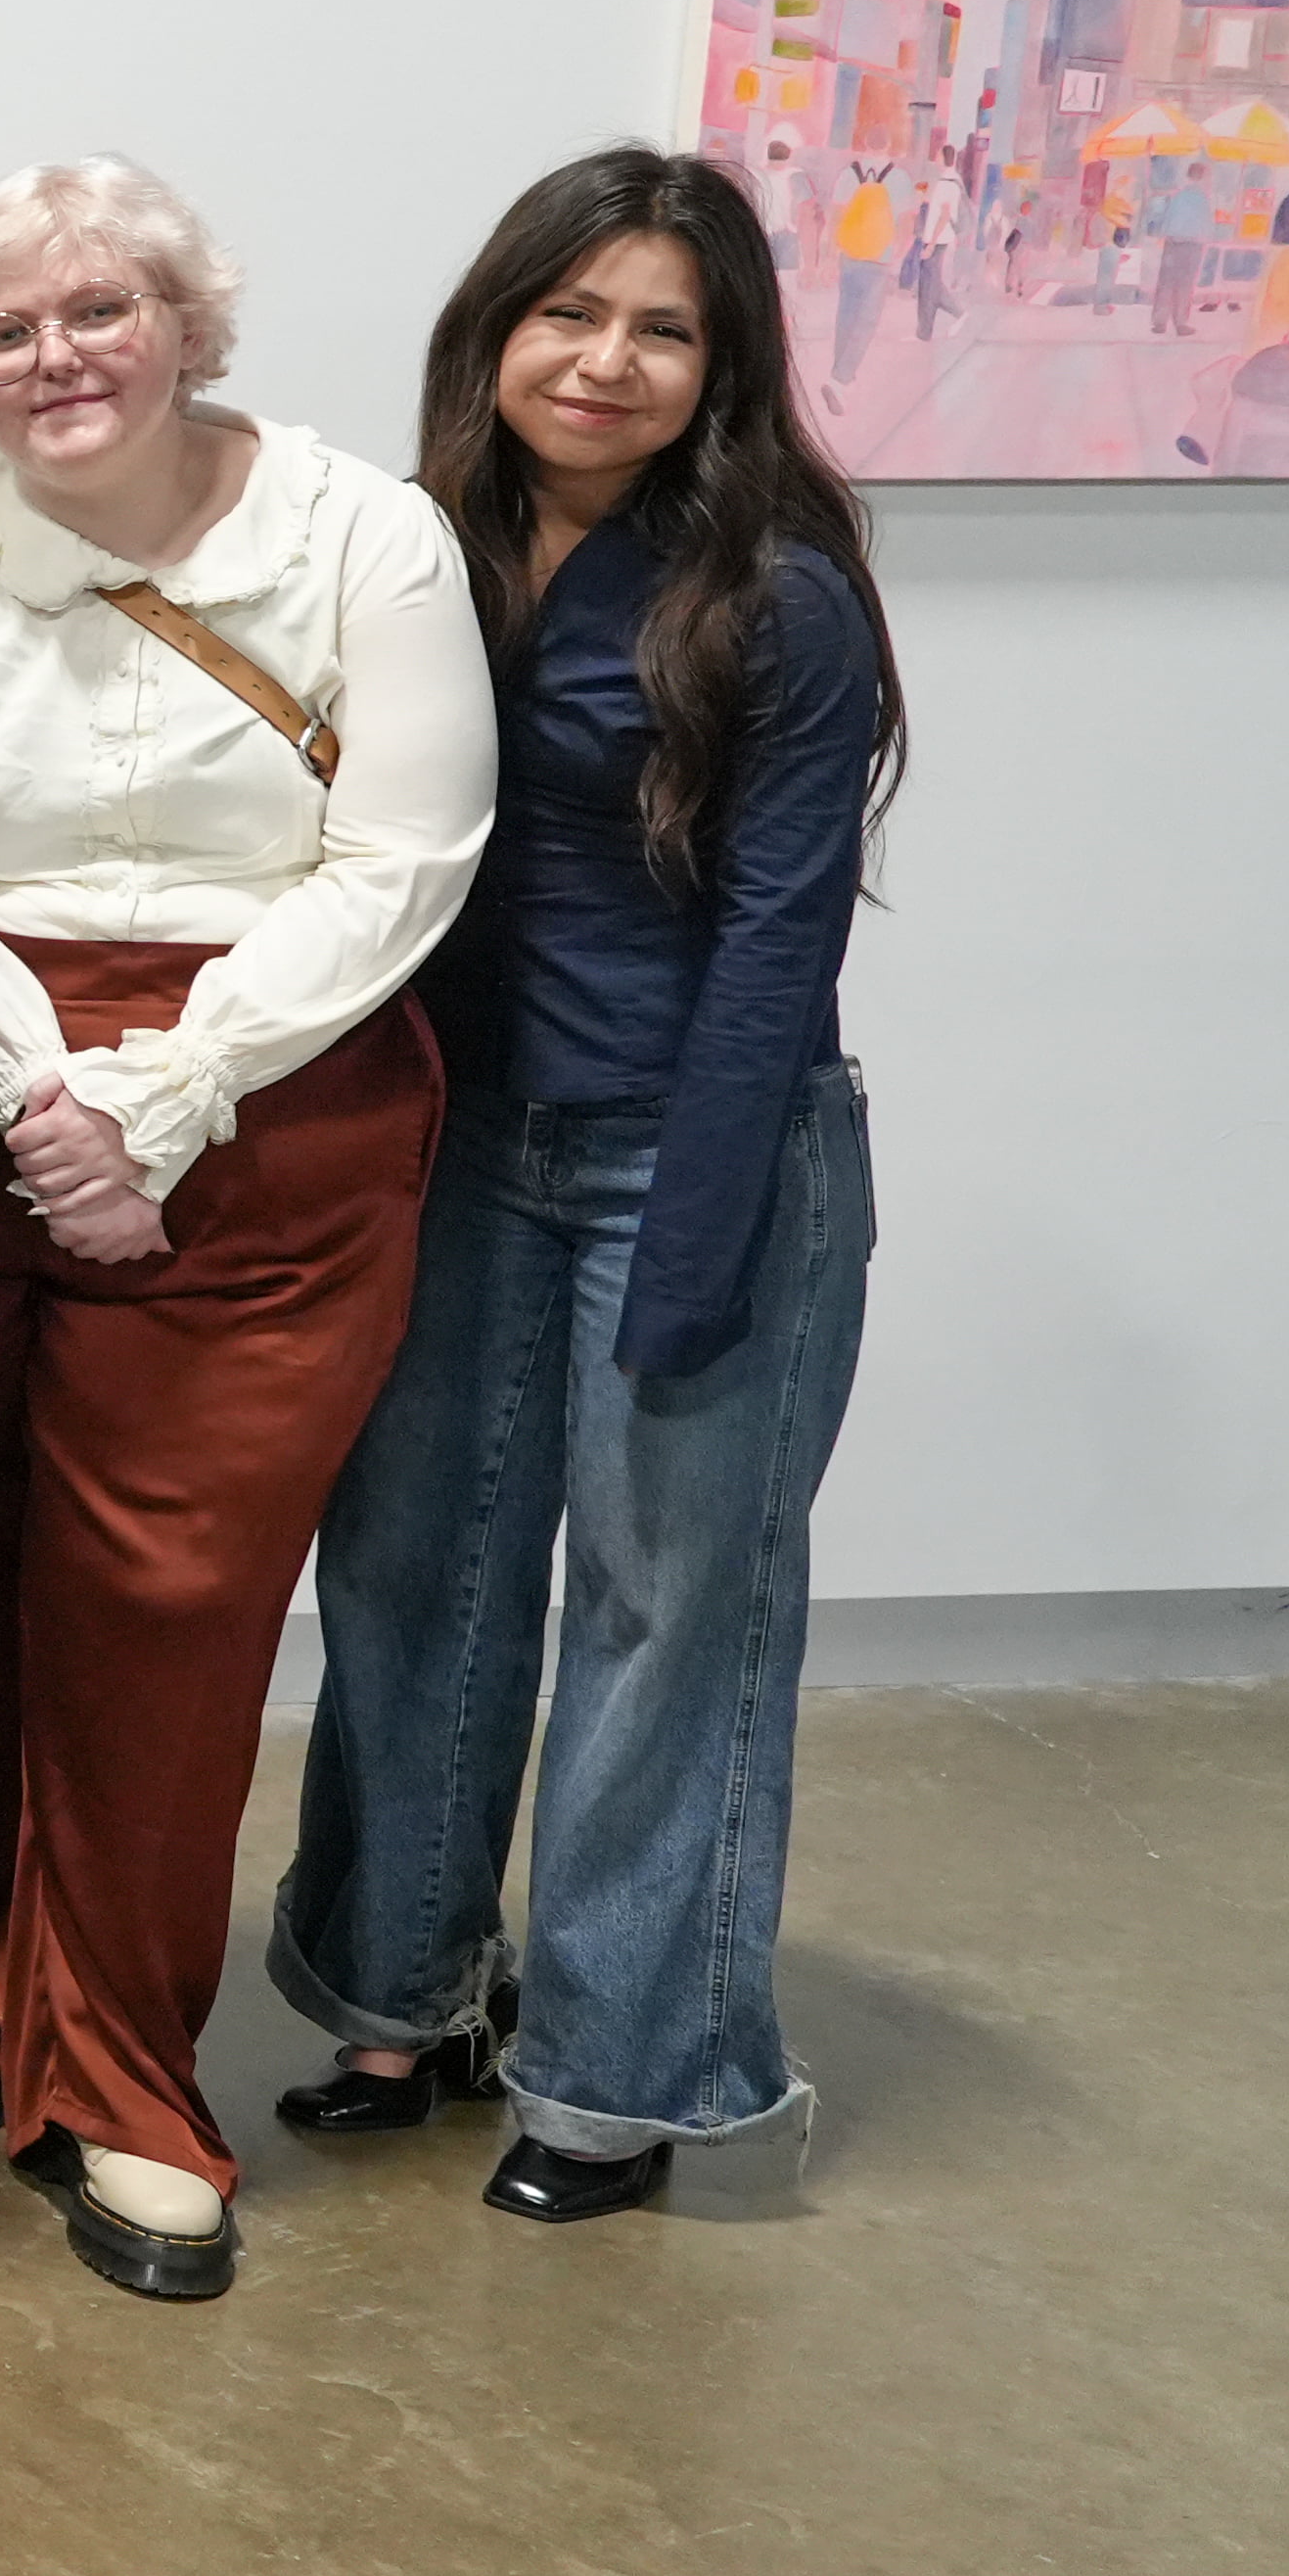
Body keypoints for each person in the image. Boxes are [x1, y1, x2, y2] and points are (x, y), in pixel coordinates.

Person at [0, 159, 494, 2303]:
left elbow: (405, 852)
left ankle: (118, 2067)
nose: (54, 357)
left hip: (270, 1115)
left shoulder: (369, 532)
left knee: (164, 1604)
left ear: (189, 323)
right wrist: (39, 1092)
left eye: (98, 311)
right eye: (3, 332)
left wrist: (166, 1090)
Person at [268, 151, 898, 2222]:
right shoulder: (417, 544)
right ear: (499, 326)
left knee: (664, 1610)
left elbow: (774, 951)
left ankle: (619, 2076)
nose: (605, 360)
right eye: (571, 312)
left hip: (700, 1150)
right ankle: (399, 1991)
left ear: (721, 367)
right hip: (459, 1140)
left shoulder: (778, 592)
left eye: (662, 327)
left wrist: (698, 1259)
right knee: (415, 1567)